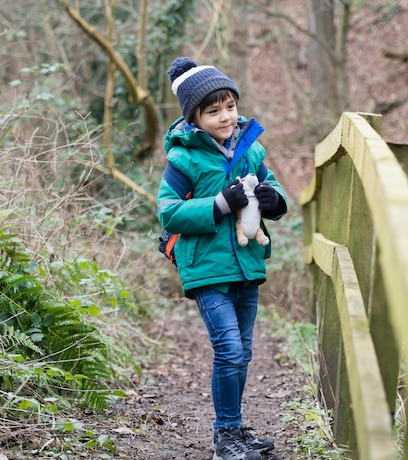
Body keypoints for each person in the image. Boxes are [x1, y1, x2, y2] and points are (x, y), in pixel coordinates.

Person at [157, 57, 287, 460]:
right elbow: (168, 212)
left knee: (243, 350)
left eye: (229, 106)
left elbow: (275, 189)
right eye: (213, 111)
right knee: (229, 348)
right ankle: (224, 436)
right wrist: (218, 203)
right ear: (195, 118)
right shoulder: (185, 159)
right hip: (206, 269)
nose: (226, 116)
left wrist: (273, 198)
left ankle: (233, 428)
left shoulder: (250, 148)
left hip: (247, 263)